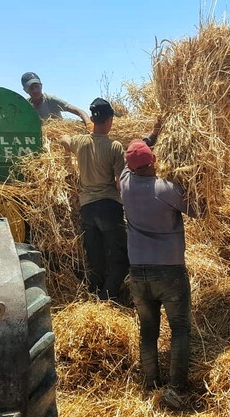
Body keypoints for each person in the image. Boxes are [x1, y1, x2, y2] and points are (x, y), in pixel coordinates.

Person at [119, 139, 203, 410]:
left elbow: (126, 162)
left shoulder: (124, 185)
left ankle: (150, 382)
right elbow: (199, 211)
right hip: (169, 271)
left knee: (148, 331)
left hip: (138, 272)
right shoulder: (164, 189)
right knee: (179, 330)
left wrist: (146, 140)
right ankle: (175, 390)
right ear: (154, 160)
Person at [58, 98, 162, 300]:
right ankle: (107, 299)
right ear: (110, 119)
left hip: (87, 208)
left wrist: (66, 159)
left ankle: (94, 296)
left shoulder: (80, 142)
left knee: (96, 259)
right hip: (108, 207)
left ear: (94, 119)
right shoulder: (114, 147)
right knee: (119, 259)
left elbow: (63, 139)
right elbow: (119, 182)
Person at [20, 72, 93, 130]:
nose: (35, 90)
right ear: (25, 90)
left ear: (41, 85)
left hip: (57, 136)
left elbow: (78, 111)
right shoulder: (26, 106)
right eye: (31, 88)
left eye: (36, 86)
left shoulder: (50, 100)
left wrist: (89, 124)